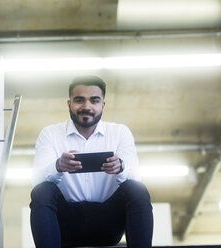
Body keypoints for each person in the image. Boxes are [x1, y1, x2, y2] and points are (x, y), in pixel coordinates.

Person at [29, 75, 153, 248]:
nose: (86, 107)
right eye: (79, 100)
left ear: (102, 105)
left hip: (108, 223)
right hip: (66, 225)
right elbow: (36, 182)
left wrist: (121, 167)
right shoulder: (50, 134)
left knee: (136, 188)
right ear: (69, 103)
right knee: (42, 190)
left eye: (94, 101)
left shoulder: (120, 132)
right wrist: (58, 166)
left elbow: (136, 178)